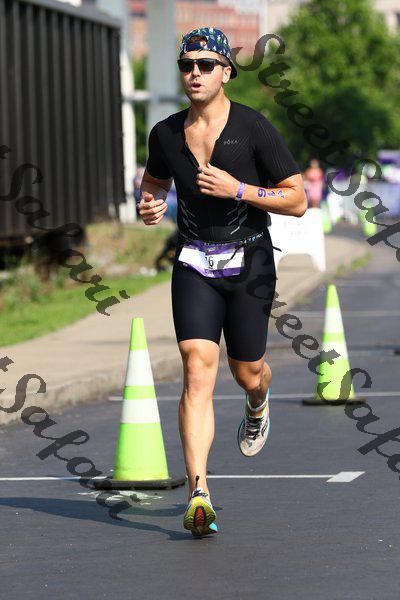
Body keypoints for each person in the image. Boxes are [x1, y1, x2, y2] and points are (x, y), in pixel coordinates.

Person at [137, 27, 307, 537]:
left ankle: (257, 402)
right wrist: (150, 204)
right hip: (193, 262)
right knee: (196, 369)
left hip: (250, 262)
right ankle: (200, 492)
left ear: (226, 72)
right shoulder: (165, 133)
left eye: (205, 64)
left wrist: (239, 189)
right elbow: (154, 181)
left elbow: (297, 199)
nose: (194, 73)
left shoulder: (254, 128)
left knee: (247, 371)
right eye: (186, 65)